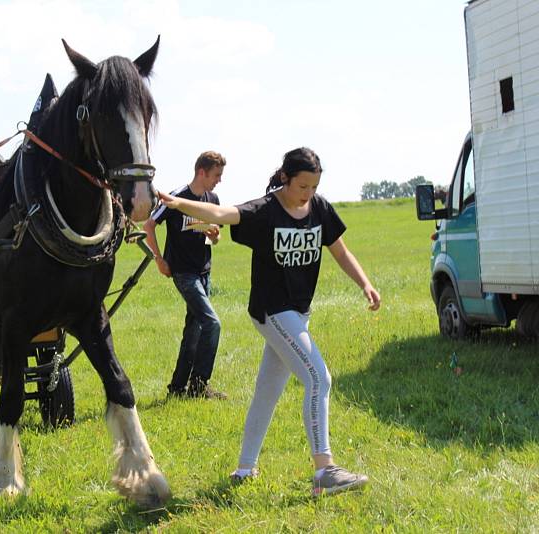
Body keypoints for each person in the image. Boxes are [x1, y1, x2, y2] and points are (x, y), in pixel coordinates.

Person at [157, 147, 381, 496]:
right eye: (302, 186)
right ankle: (325, 470)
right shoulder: (266, 210)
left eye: (313, 186)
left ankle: (245, 468)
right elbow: (220, 213)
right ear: (285, 178)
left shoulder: (318, 208)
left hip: (297, 313)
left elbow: (339, 249)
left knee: (267, 392)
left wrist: (365, 283)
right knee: (319, 378)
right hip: (272, 311)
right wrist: (177, 203)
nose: (307, 193)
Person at [143, 151, 227, 400]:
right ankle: (199, 387)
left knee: (195, 330)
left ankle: (178, 389)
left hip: (204, 271)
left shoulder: (212, 198)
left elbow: (217, 234)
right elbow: (149, 226)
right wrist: (158, 260)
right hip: (183, 273)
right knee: (212, 323)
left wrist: (215, 236)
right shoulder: (177, 197)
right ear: (202, 172)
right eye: (216, 175)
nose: (219, 180)